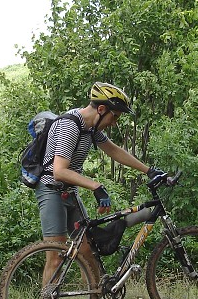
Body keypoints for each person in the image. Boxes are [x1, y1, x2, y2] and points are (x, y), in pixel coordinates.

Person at [35, 82, 160, 287]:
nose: (114, 123)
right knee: (55, 255)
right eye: (115, 116)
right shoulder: (70, 125)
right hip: (51, 191)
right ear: (101, 109)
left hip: (69, 192)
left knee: (87, 251)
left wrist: (149, 170)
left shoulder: (90, 127)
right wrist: (95, 186)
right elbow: (59, 171)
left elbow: (114, 150)